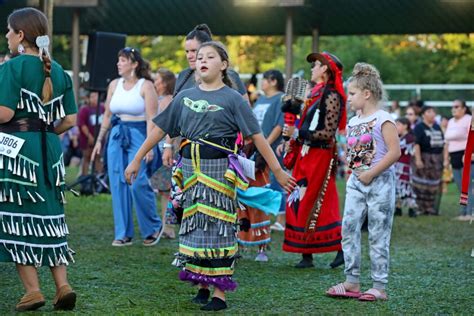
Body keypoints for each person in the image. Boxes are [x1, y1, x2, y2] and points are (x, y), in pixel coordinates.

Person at [125, 41, 295, 311]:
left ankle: (220, 293)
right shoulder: (183, 97)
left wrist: (278, 170)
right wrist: (136, 159)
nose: (202, 60)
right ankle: (202, 284)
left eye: (210, 57)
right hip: (190, 172)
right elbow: (159, 130)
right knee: (193, 226)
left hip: (220, 173)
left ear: (223, 65)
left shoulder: (233, 99)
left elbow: (257, 136)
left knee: (219, 227)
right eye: (199, 56)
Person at [0, 7, 78, 311]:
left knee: (17, 215)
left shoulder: (13, 67)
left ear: (21, 35)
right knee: (50, 217)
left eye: (9, 30)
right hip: (49, 148)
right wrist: (45, 131)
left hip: (19, 149)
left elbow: (5, 113)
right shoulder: (58, 70)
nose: (6, 36)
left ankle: (33, 290)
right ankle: (63, 285)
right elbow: (70, 119)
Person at [326, 62, 401, 301]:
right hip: (356, 183)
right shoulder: (353, 122)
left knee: (378, 233)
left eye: (353, 93)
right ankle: (352, 281)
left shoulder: (383, 118)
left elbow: (394, 151)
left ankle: (379, 286)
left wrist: (371, 173)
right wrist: (355, 173)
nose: (348, 98)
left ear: (367, 94)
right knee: (348, 229)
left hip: (380, 182)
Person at [91, 47, 162, 246]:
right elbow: (106, 116)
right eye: (118, 60)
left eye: (123, 60)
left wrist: (149, 147)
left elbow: (152, 118)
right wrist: (99, 141)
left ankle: (153, 227)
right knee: (117, 181)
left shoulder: (146, 85)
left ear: (134, 64)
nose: (119, 63)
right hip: (116, 134)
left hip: (139, 133)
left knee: (138, 181)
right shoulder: (114, 84)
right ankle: (123, 233)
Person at [282, 52, 346, 269]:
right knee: (300, 198)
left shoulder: (332, 95)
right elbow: (303, 124)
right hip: (306, 153)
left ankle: (341, 249)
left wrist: (297, 134)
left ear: (325, 69)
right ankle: (306, 252)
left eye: (316, 65)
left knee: (319, 200)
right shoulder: (314, 93)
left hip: (320, 155)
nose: (312, 68)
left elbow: (328, 132)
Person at [237, 69, 285, 261]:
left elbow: (279, 126)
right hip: (247, 153)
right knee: (241, 198)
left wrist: (263, 146)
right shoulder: (261, 100)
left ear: (273, 81)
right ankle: (240, 241)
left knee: (261, 196)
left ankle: (262, 246)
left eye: (265, 80)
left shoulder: (280, 100)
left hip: (264, 156)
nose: (262, 83)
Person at [150, 68, 177, 238]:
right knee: (163, 190)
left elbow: (170, 126)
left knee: (167, 190)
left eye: (158, 80)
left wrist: (169, 147)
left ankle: (169, 228)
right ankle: (165, 225)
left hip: (165, 149)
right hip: (160, 148)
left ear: (165, 83)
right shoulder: (159, 99)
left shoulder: (167, 101)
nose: (155, 83)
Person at [412, 106, 445, 215]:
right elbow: (416, 144)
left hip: (437, 159)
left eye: (433, 112)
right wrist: (418, 159)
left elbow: (443, 144)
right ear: (423, 115)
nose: (432, 114)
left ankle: (431, 208)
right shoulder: (419, 127)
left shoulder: (437, 127)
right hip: (424, 157)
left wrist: (444, 159)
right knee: (421, 184)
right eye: (429, 111)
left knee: (433, 184)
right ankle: (420, 208)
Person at [445, 99, 473, 220]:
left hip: (466, 156)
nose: (454, 109)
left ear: (464, 109)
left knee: (468, 186)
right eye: (453, 107)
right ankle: (463, 212)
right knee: (460, 186)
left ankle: (469, 213)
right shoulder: (451, 121)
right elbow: (447, 142)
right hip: (454, 156)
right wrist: (446, 158)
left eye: (457, 106)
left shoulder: (468, 119)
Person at [394, 117, 417, 217]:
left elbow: (400, 148)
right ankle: (398, 208)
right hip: (396, 166)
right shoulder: (399, 137)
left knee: (406, 187)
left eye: (398, 124)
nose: (396, 127)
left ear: (405, 126)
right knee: (397, 187)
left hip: (405, 167)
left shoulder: (409, 138)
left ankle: (412, 209)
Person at [77, 91, 104, 176]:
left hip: (99, 138)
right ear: (88, 98)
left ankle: (99, 177)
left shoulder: (102, 108)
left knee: (98, 157)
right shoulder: (84, 109)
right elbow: (82, 125)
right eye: (92, 96)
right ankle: (84, 178)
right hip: (87, 140)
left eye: (96, 96)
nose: (95, 98)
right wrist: (90, 137)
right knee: (87, 157)